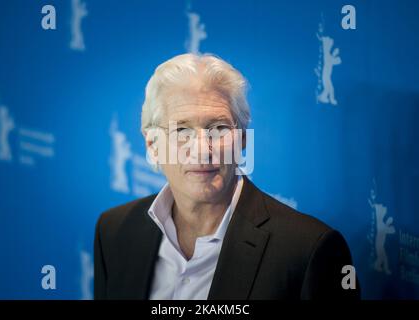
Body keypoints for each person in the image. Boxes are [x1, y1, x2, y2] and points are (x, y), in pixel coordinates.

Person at [94, 53, 360, 300]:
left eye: (218, 128)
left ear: (242, 140)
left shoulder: (309, 249)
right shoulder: (114, 230)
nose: (202, 150)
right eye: (182, 130)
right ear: (152, 145)